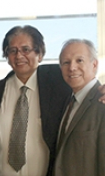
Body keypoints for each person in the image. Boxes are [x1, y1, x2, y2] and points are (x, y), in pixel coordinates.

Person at [0, 25, 105, 176]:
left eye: (26, 49)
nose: (19, 56)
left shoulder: (59, 83)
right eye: (12, 50)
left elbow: (85, 82)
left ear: (40, 54)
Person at [53, 39, 105, 176]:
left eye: (79, 60)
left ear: (94, 64)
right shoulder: (66, 102)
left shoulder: (102, 103)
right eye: (66, 62)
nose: (72, 68)